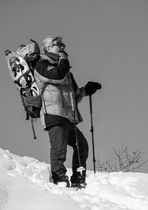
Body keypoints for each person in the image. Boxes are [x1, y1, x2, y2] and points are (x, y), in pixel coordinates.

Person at [34, 36, 101, 188]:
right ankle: (59, 179)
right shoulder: (41, 65)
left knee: (81, 145)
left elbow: (74, 95)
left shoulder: (64, 70)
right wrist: (63, 59)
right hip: (53, 114)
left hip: (68, 117)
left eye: (63, 45)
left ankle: (78, 178)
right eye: (58, 44)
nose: (63, 47)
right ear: (48, 48)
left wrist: (87, 90)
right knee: (59, 148)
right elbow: (58, 76)